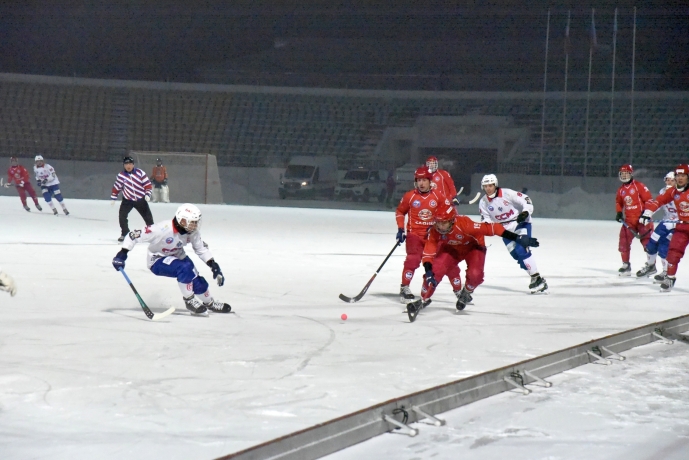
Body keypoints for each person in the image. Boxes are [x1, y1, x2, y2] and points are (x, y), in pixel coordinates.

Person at [407, 202, 539, 314]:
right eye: (438, 223)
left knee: (475, 275)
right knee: (436, 271)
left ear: (452, 220)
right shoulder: (435, 231)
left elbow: (493, 228)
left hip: (473, 248)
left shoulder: (465, 225)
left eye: (444, 223)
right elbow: (429, 252)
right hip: (452, 249)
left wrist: (518, 238)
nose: (440, 227)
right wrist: (429, 271)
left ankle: (467, 292)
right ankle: (424, 298)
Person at [111, 203, 231, 315]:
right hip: (157, 260)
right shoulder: (161, 229)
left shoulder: (192, 232)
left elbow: (201, 249)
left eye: (196, 222)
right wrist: (123, 253)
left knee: (197, 281)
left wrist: (213, 264)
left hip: (178, 255)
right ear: (182, 220)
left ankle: (210, 303)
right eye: (192, 222)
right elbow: (133, 235)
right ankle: (189, 300)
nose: (194, 225)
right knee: (185, 268)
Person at [395, 165, 462, 303]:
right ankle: (405, 287)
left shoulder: (438, 196)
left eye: (424, 180)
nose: (421, 183)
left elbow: (450, 213)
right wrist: (401, 229)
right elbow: (400, 212)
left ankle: (458, 290)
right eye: (419, 180)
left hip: (434, 236)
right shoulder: (410, 196)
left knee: (447, 261)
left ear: (430, 181)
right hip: (415, 235)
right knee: (413, 259)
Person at [478, 174, 548, 293]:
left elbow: (526, 199)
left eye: (490, 185)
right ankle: (535, 277)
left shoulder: (507, 193)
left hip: (519, 223)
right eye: (485, 186)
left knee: (521, 250)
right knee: (516, 255)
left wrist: (525, 212)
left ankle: (537, 278)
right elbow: (486, 220)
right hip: (505, 231)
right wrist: (488, 228)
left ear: (495, 185)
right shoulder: (483, 202)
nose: (488, 188)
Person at [639, 164, 689, 292]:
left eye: (683, 176)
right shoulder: (673, 191)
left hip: (681, 224)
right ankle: (670, 278)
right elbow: (659, 201)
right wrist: (647, 213)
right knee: (673, 253)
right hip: (681, 227)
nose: (680, 178)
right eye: (678, 176)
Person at [615, 164, 654, 276]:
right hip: (629, 221)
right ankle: (626, 265)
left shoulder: (639, 186)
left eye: (626, 173)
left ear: (631, 174)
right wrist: (618, 212)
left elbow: (649, 200)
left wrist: (646, 214)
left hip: (642, 220)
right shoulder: (621, 190)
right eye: (622, 173)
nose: (624, 175)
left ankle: (651, 265)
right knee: (623, 242)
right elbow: (619, 202)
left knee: (647, 243)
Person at [636, 171, 677, 279]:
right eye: (667, 180)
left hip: (678, 224)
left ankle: (666, 272)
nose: (669, 182)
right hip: (666, 221)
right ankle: (650, 266)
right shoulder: (663, 191)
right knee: (651, 244)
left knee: (664, 247)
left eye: (672, 180)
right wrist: (647, 214)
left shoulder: (683, 193)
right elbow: (658, 203)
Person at [111, 156, 154, 242]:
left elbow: (148, 185)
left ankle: (153, 234)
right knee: (122, 216)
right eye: (126, 164)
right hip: (128, 200)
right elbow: (117, 187)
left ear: (133, 165)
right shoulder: (121, 175)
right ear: (123, 165)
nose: (128, 166)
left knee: (148, 218)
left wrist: (148, 194)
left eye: (130, 164)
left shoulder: (140, 173)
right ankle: (125, 233)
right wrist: (113, 197)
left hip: (140, 199)